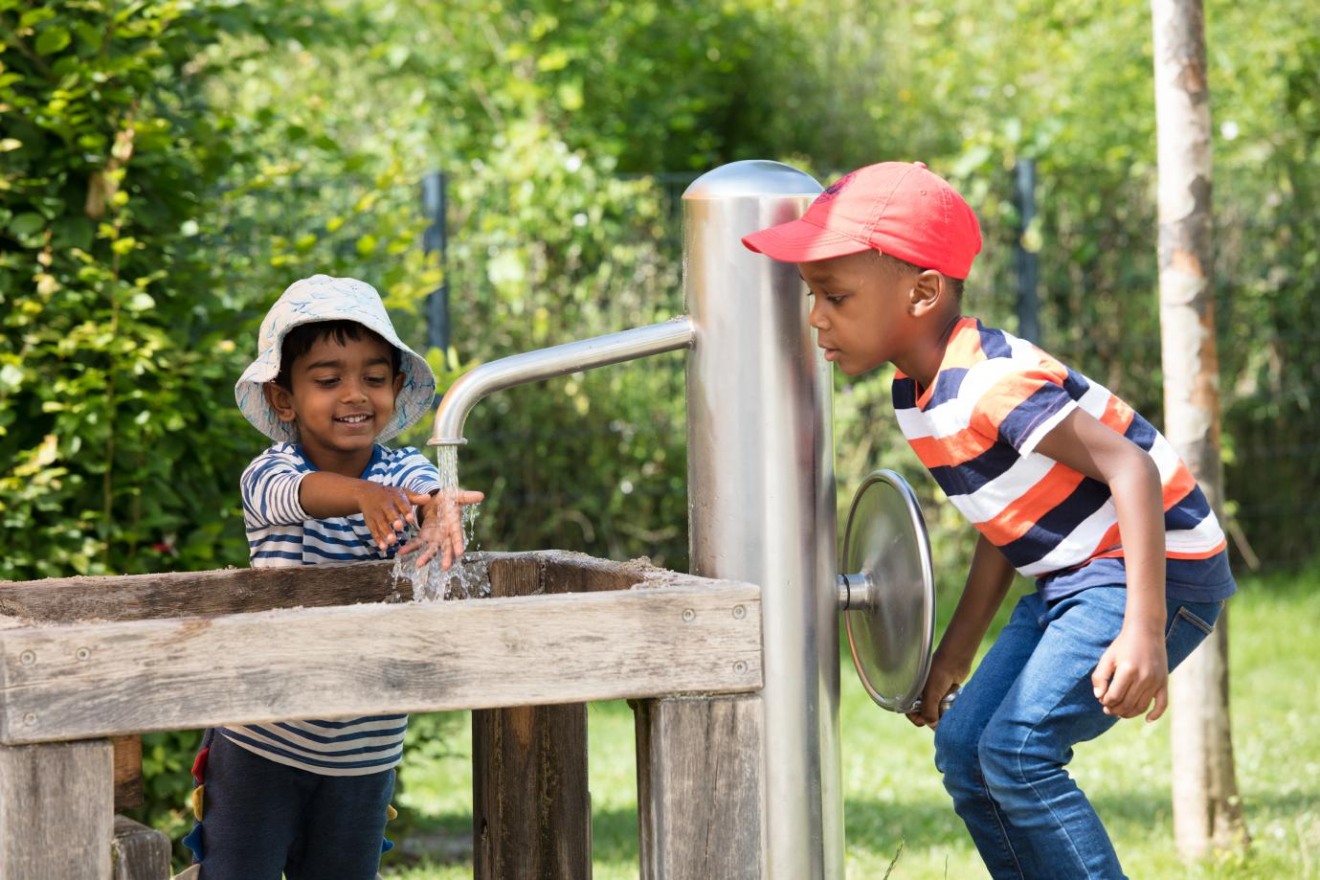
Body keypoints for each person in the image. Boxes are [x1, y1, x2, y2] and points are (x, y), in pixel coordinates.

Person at [742, 161, 1236, 879]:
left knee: (1018, 749)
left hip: (1158, 571)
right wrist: (954, 653)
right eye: (813, 296)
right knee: (967, 746)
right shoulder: (916, 396)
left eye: (836, 296)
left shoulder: (990, 385)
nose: (817, 317)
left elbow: (1133, 467)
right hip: (1071, 579)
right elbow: (1002, 522)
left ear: (921, 292)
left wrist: (1144, 629)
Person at [181, 274, 483, 880]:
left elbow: (429, 494)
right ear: (284, 399)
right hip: (262, 739)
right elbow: (302, 494)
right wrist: (368, 496)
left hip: (365, 750)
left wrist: (436, 513)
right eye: (327, 379)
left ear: (397, 388)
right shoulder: (269, 471)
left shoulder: (404, 470)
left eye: (374, 378)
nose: (355, 394)